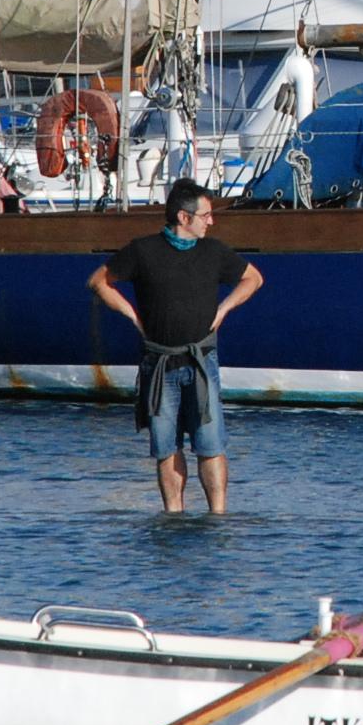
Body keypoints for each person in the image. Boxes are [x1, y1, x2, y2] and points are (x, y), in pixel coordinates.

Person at [87, 180, 264, 514]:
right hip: (159, 363)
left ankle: (218, 516)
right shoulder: (143, 250)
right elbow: (98, 281)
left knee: (210, 444)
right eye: (206, 215)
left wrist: (224, 309)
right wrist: (133, 317)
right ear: (184, 217)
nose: (211, 222)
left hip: (202, 361)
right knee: (166, 447)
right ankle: (173, 515)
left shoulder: (214, 252)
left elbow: (253, 278)